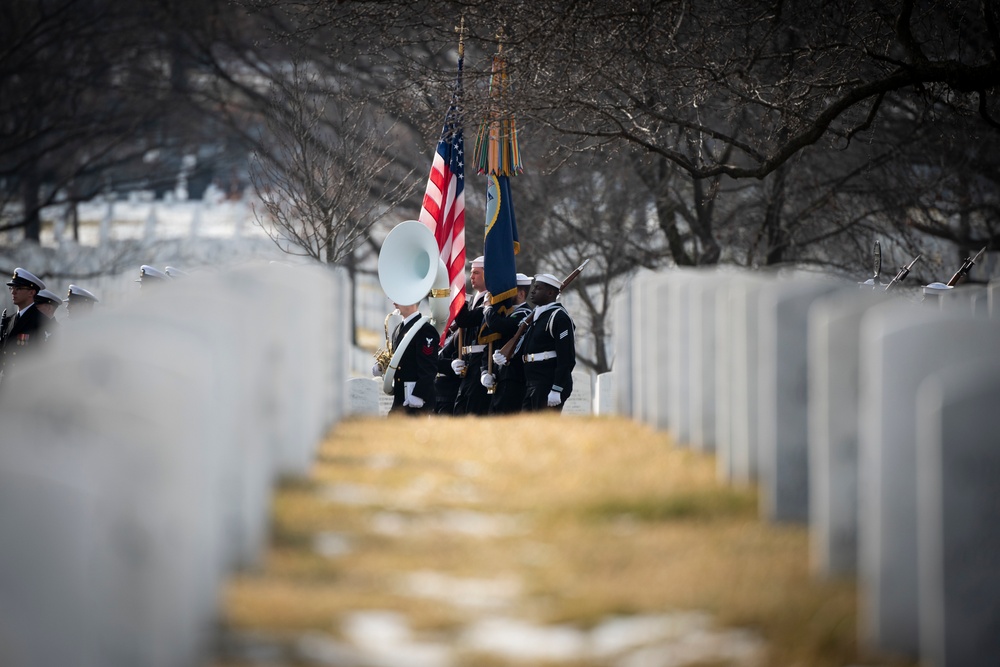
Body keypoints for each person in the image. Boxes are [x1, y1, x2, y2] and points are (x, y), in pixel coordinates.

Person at [506, 273, 576, 412]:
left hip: (548, 383)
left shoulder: (559, 317)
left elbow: (566, 357)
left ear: (550, 292)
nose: (532, 291)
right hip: (531, 382)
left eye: (538, 288)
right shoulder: (536, 317)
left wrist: (557, 388)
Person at [480, 272, 533, 415]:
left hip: (514, 377)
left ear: (521, 294)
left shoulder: (525, 315)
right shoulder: (506, 313)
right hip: (499, 377)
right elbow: (490, 343)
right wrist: (485, 371)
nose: (504, 296)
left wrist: (488, 306)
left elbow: (498, 325)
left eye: (508, 292)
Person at [450, 256, 491, 415]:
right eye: (471, 273)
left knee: (473, 409)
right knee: (460, 408)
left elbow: (465, 320)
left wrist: (458, 298)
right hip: (467, 362)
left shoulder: (492, 301)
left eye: (476, 273)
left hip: (480, 361)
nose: (471, 277)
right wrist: (455, 357)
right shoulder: (474, 299)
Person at [384, 301, 439, 416]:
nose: (394, 302)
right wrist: (382, 366)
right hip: (400, 398)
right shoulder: (398, 328)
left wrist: (419, 394)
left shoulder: (425, 330)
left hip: (417, 400)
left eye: (400, 298)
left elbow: (429, 367)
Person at [1, 268, 47, 384]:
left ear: (31, 292)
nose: (13, 292)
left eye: (18, 288)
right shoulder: (9, 320)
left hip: (27, 384)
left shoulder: (41, 322)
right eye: (12, 288)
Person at [434, 324, 462, 414]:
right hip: (435, 391)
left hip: (449, 393)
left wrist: (433, 362)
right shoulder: (444, 334)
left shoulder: (460, 332)